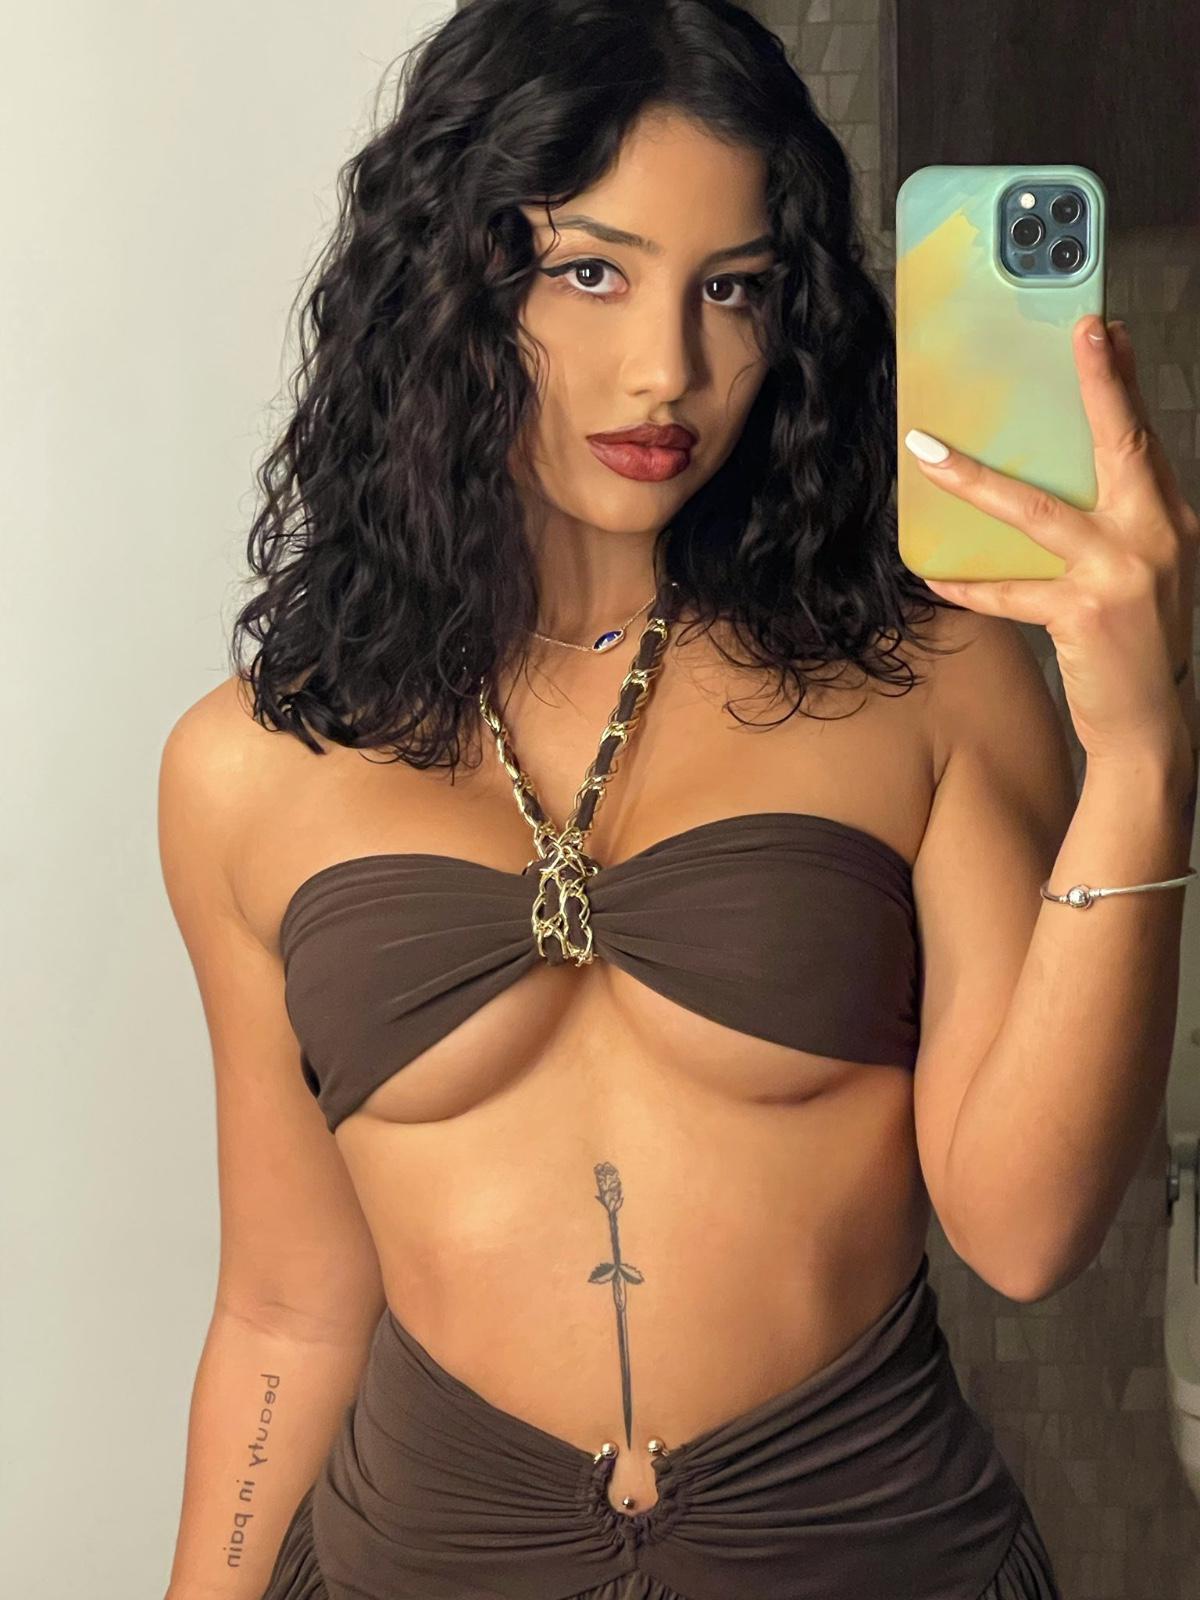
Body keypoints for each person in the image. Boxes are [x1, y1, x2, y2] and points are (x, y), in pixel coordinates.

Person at [156, 1, 1144, 1595]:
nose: (668, 370)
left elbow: (1026, 1233)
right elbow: (286, 1309)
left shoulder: (930, 681)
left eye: (733, 289)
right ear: (449, 285)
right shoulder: (248, 767)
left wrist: (1146, 757)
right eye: (592, 272)